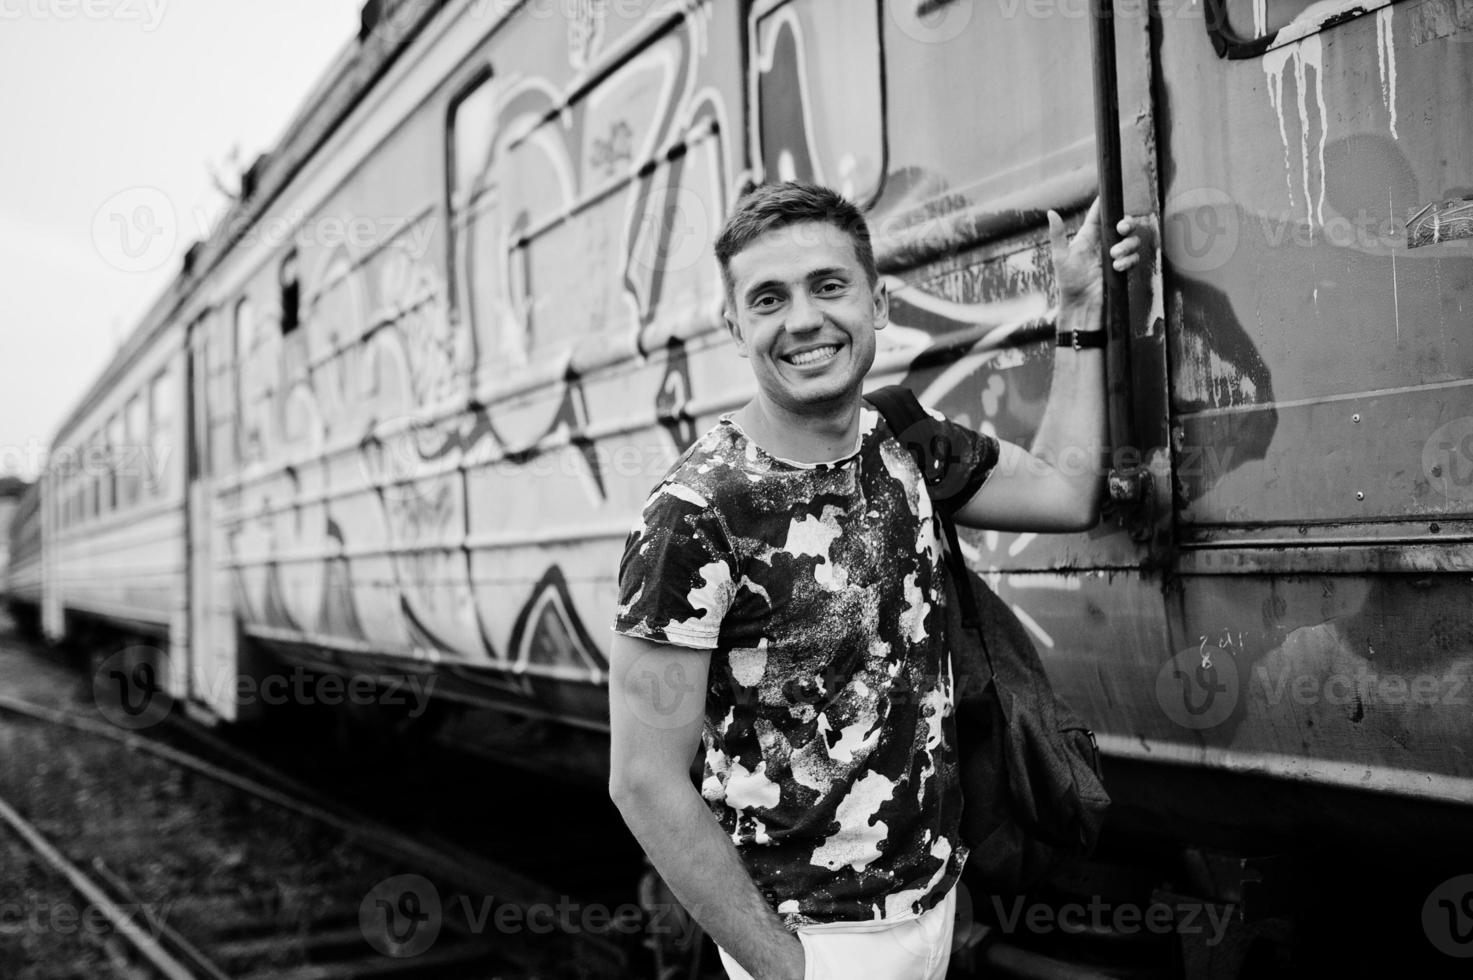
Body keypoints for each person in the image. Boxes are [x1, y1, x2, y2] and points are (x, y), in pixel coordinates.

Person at [608, 181, 1141, 980]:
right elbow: (643, 780)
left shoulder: (903, 442)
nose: (803, 321)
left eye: (828, 286)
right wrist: (787, 968)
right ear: (734, 327)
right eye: (767, 299)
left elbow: (1063, 492)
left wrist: (1078, 309)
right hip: (811, 936)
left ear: (877, 302)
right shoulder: (696, 512)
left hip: (934, 901)